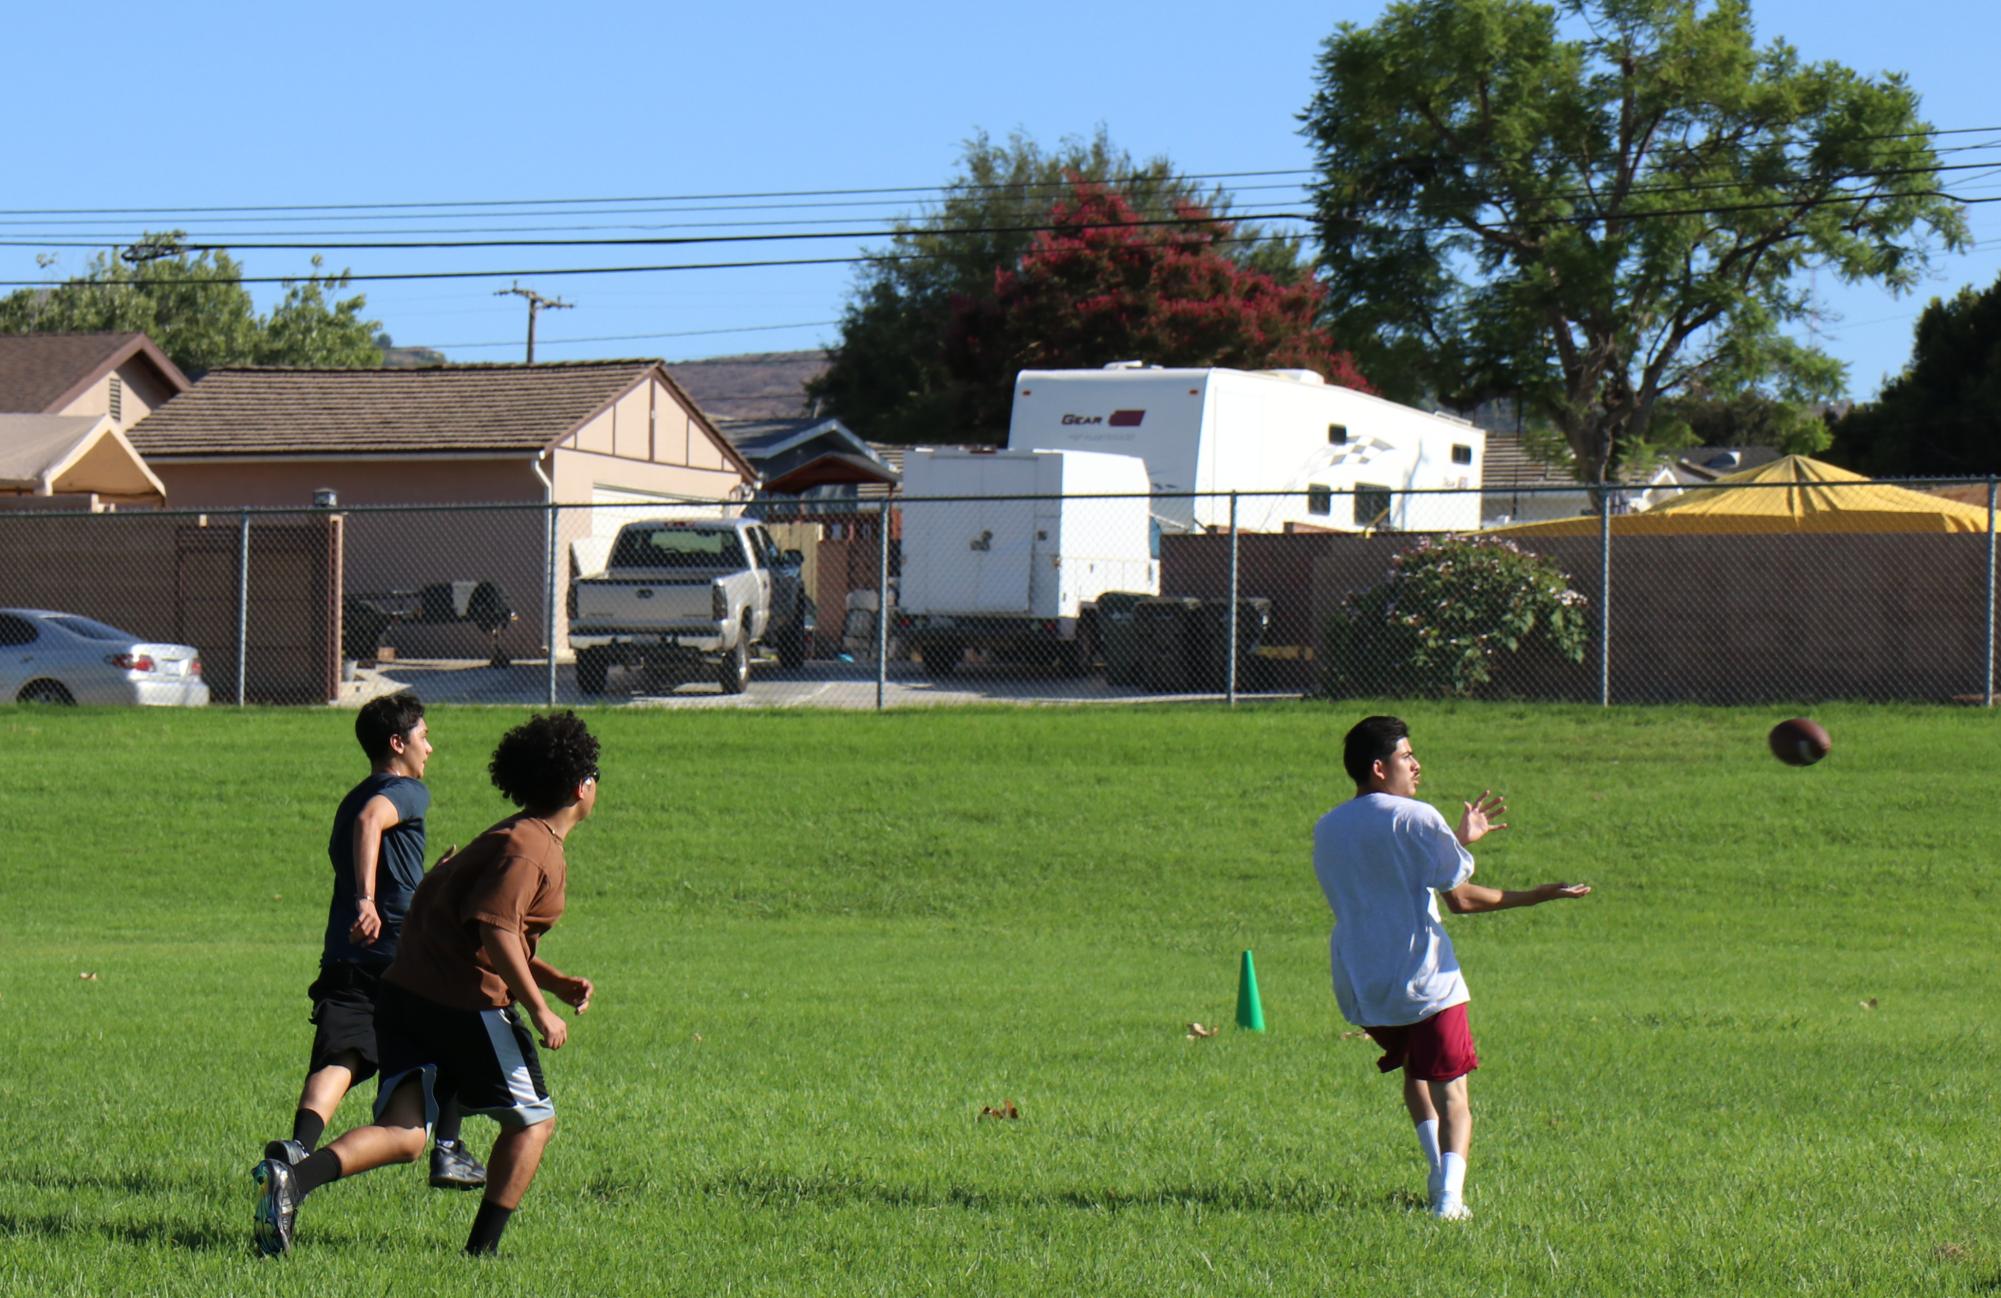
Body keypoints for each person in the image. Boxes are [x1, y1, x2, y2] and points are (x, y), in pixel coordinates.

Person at [254, 710, 601, 1258]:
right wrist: (539, 1008)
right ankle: (481, 1254)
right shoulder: (530, 849)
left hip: (405, 996)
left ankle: (292, 1182)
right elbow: (494, 930)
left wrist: (552, 980)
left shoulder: (509, 838)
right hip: (459, 1004)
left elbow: (475, 930)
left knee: (404, 1134)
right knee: (534, 1122)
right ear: (583, 786)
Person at [1313, 715, 1590, 1220]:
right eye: (1406, 756)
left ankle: (1439, 1179)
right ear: (1379, 768)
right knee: (1453, 1094)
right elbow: (1457, 892)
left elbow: (1411, 881)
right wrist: (1478, 851)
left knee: (1415, 1076)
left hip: (1361, 980)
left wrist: (1469, 854)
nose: (1416, 765)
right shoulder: (1416, 817)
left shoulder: (1328, 827)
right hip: (1424, 976)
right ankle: (1449, 1201)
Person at [264, 690, 487, 1191]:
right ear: (397, 743)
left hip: (346, 955)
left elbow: (375, 847)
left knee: (342, 1053)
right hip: (400, 956)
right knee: (468, 1016)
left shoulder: (349, 801)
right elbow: (374, 823)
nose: (429, 748)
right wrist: (368, 900)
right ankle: (448, 1148)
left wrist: (424, 883)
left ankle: (299, 1146)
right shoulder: (405, 790)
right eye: (423, 737)